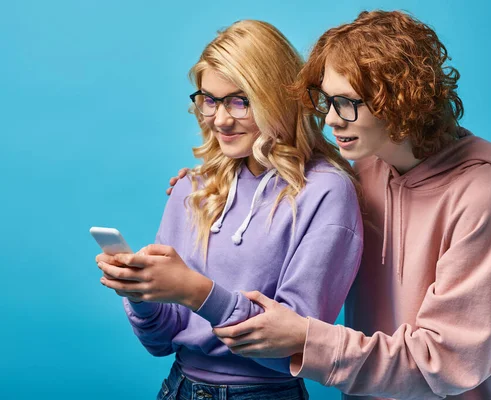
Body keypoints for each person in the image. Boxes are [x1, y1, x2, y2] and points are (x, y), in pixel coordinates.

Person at [169, 10, 491, 400]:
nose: (330, 119)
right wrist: (214, 183)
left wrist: (308, 339)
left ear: (399, 101)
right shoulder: (367, 168)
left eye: (346, 103)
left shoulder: (482, 195)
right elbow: (297, 189)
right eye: (326, 100)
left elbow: (447, 360)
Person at [96, 19, 363, 400]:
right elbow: (162, 342)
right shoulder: (194, 186)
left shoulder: (325, 192)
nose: (219, 119)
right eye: (209, 99)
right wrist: (141, 295)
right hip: (177, 387)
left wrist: (197, 292)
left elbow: (295, 345)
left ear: (277, 98)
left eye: (239, 101)